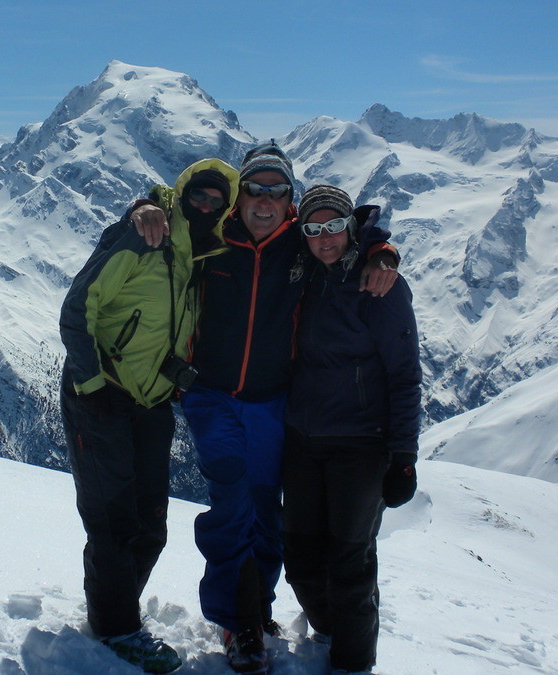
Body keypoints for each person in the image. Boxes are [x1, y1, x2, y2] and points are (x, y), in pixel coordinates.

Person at [130, 142, 400, 674]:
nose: (264, 199)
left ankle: (257, 607)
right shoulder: (214, 234)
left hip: (275, 401)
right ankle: (238, 622)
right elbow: (169, 204)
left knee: (266, 511)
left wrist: (380, 251)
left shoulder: (299, 243)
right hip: (212, 396)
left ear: (290, 200)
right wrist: (142, 205)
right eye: (255, 187)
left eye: (277, 190)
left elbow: (352, 228)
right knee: (232, 505)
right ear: (241, 194)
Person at [59, 159, 238, 673]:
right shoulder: (144, 237)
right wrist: (92, 385)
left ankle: (112, 611)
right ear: (180, 197)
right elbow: (77, 310)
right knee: (112, 521)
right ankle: (117, 628)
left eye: (215, 201)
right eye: (197, 196)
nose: (205, 207)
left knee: (151, 526)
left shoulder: (197, 254)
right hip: (101, 395)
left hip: (151, 402)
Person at [282, 185, 421, 674]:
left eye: (334, 227)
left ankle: (353, 663)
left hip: (362, 444)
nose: (324, 238)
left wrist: (403, 456)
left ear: (350, 228)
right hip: (301, 440)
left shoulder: (378, 284)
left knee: (350, 563)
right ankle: (330, 633)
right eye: (313, 229)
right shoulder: (300, 273)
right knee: (299, 558)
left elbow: (404, 374)